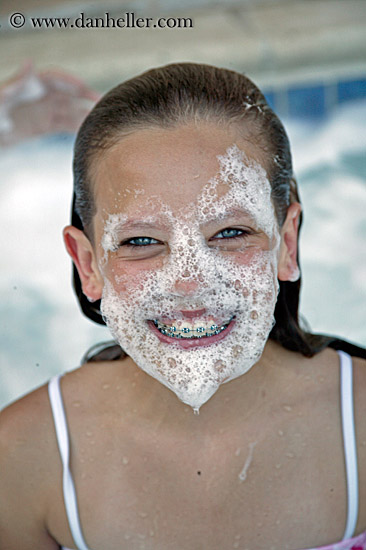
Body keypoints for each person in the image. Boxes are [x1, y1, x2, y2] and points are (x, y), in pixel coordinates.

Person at [0, 63, 365, 550]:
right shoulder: (22, 459)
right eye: (142, 240)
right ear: (87, 264)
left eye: (231, 232)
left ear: (286, 242)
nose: (190, 284)